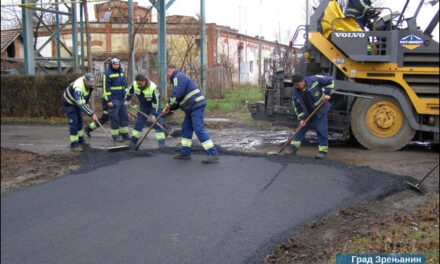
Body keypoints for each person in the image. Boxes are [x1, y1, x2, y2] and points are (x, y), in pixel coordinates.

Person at [162, 65, 219, 164]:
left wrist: (169, 103)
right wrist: (170, 108)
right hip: (190, 107)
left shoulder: (177, 77)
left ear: (169, 71)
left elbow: (176, 94)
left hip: (196, 105)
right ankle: (185, 153)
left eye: (167, 73)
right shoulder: (180, 78)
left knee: (198, 129)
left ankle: (213, 154)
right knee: (186, 128)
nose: (167, 76)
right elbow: (179, 100)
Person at [286, 73, 334, 159]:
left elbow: (330, 80)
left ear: (303, 81)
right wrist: (301, 119)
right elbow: (298, 108)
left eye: (297, 85)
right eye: (295, 85)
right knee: (300, 129)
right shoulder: (295, 93)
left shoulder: (314, 80)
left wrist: (328, 93)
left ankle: (322, 152)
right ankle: (293, 148)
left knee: (321, 130)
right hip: (307, 113)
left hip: (320, 110)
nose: (296, 87)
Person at [126, 74, 166, 149]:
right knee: (139, 123)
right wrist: (127, 100)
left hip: (154, 105)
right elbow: (129, 92)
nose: (139, 86)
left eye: (140, 84)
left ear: (144, 81)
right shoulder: (135, 84)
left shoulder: (153, 87)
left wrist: (154, 114)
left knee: (158, 124)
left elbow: (156, 102)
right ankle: (133, 142)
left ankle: (162, 145)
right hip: (143, 105)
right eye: (138, 84)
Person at [61, 73, 98, 152]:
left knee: (80, 122)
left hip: (76, 102)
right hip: (69, 102)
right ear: (85, 80)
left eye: (92, 83)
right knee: (74, 123)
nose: (90, 85)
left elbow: (86, 94)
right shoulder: (78, 88)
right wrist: (91, 113)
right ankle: (74, 145)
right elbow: (81, 104)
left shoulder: (89, 85)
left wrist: (87, 101)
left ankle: (81, 141)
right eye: (89, 83)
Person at [103, 57, 129, 142]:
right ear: (111, 65)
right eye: (114, 64)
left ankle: (124, 134)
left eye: (117, 64)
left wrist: (126, 97)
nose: (116, 66)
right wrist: (109, 100)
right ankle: (115, 135)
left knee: (124, 116)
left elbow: (125, 86)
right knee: (114, 118)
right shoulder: (107, 73)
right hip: (113, 99)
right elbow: (106, 88)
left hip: (122, 99)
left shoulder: (121, 72)